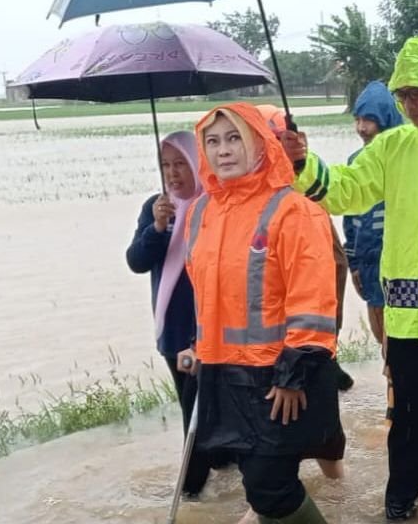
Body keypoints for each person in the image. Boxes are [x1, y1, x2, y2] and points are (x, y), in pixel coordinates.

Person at [279, 37, 418, 521]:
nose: (409, 104)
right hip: (409, 314)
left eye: (417, 93)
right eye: (403, 95)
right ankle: (403, 496)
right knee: (407, 414)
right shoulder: (392, 147)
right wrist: (302, 164)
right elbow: (346, 192)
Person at [181, 103, 344, 524]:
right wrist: (198, 345)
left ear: (259, 143)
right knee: (255, 483)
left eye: (235, 137)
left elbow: (314, 301)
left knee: (269, 487)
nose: (223, 150)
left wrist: (293, 376)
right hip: (222, 371)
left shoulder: (293, 210)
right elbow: (205, 291)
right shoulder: (201, 212)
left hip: (277, 378)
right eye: (212, 141)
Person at [125, 131, 218, 498]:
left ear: (197, 165)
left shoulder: (211, 207)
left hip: (209, 329)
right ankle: (200, 482)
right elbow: (136, 262)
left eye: (180, 163)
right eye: (166, 165)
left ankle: (192, 492)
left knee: (205, 410)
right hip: (173, 331)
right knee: (191, 407)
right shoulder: (156, 207)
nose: (173, 173)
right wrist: (158, 228)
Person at [258, 104, 355, 393]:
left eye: (283, 140)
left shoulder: (310, 200)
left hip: (308, 340)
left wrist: (299, 162)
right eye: (272, 142)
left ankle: (324, 357)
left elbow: (332, 279)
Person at [342, 81, 403, 347]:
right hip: (367, 265)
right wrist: (353, 264)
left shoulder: (406, 161)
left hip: (400, 266)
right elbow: (350, 218)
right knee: (382, 338)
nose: (361, 128)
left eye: (369, 120)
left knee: (402, 343)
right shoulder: (356, 161)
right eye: (357, 119)